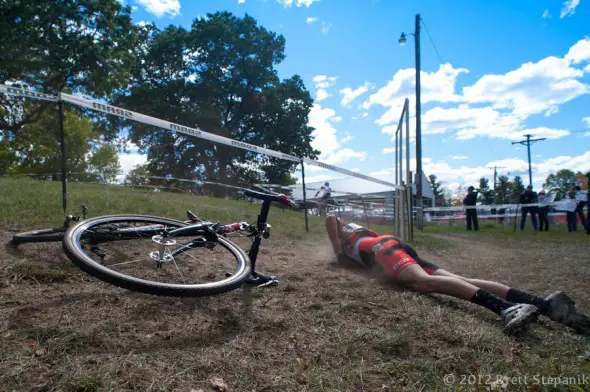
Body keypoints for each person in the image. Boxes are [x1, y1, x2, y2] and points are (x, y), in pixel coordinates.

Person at [324, 214, 590, 336]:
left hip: (386, 250)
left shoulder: (350, 244)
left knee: (421, 283)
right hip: (394, 246)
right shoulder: (362, 240)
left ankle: (508, 308)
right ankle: (545, 304)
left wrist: (338, 244)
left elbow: (330, 218)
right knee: (462, 281)